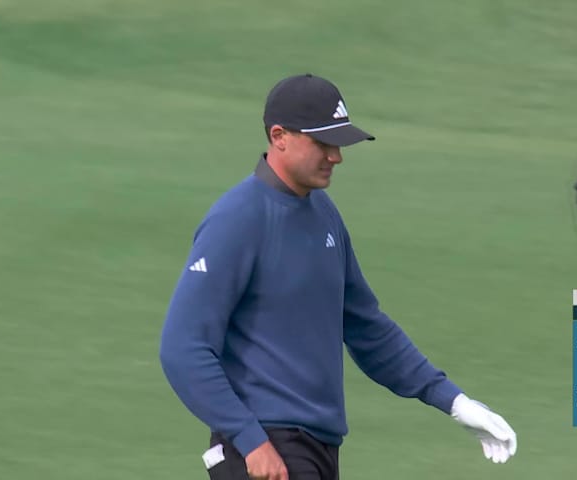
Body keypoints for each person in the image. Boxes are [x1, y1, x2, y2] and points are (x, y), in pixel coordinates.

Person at [159, 73, 517, 480]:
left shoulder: (324, 214)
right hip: (266, 450)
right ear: (279, 136)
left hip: (319, 448)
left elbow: (367, 328)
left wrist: (454, 401)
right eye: (323, 143)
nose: (336, 156)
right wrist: (250, 440)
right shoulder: (238, 218)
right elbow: (182, 347)